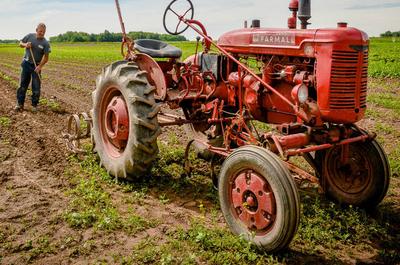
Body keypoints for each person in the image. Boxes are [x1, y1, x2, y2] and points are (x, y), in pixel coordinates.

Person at [15, 23, 51, 112]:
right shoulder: (29, 36)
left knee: (36, 87)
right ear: (36, 30)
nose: (42, 33)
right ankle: (20, 104)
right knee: (22, 85)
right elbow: (20, 43)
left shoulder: (45, 43)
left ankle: (34, 105)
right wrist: (25, 44)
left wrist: (40, 66)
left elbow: (46, 58)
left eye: (43, 32)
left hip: (36, 66)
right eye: (40, 31)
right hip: (26, 64)